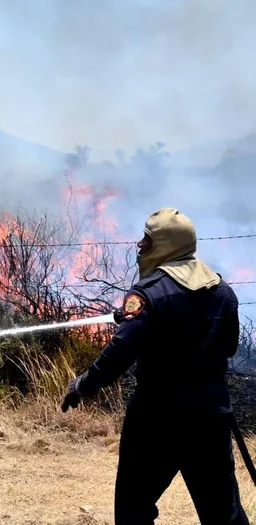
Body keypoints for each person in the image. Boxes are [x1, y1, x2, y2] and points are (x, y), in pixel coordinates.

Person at [61, 207, 249, 524]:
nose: (139, 246)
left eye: (146, 240)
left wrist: (82, 385)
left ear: (164, 245)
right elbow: (228, 347)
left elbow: (120, 352)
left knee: (135, 508)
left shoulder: (147, 294)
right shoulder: (223, 292)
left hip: (157, 418)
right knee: (223, 514)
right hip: (210, 416)